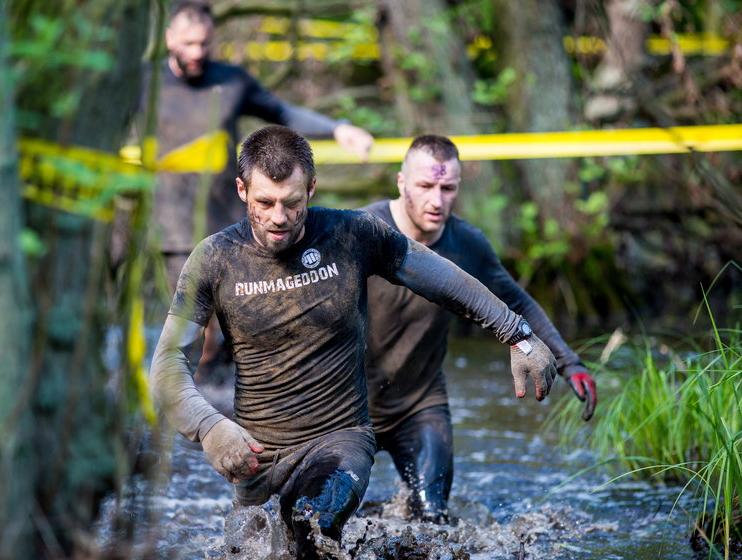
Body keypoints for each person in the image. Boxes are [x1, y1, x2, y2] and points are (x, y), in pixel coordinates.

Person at [150, 125, 558, 559]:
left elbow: (441, 279)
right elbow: (169, 363)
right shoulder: (213, 258)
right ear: (241, 189)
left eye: (292, 202)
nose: (278, 217)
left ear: (311, 187)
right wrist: (211, 429)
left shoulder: (352, 234)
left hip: (340, 439)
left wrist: (517, 333)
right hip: (254, 455)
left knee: (314, 527)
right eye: (264, 202)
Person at [362, 134, 599, 523]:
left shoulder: (467, 242)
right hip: (351, 405)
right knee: (322, 522)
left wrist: (569, 361)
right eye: (425, 186)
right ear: (402, 182)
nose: (437, 200)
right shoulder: (364, 229)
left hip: (420, 403)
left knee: (433, 522)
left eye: (448, 188)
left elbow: (516, 302)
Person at [144, 0, 374, 373]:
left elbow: (282, 112)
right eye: (187, 44)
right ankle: (192, 418)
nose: (196, 52)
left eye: (203, 43)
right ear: (169, 38)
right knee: (195, 331)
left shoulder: (231, 80)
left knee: (246, 322)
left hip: (230, 227)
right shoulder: (146, 81)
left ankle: (252, 404)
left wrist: (338, 128)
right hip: (172, 231)